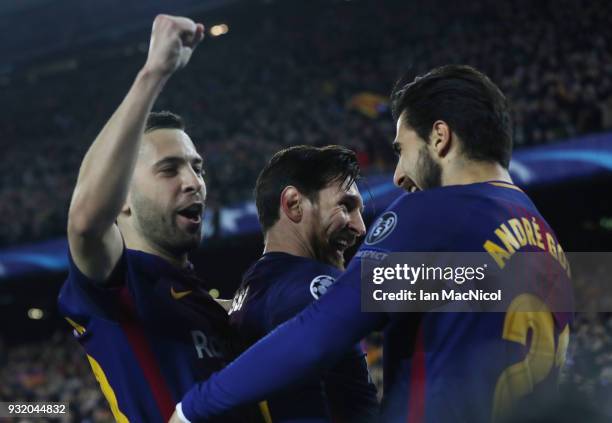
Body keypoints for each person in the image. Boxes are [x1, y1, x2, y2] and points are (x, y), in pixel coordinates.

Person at [171, 65, 573, 423]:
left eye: (402, 150)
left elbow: (316, 334)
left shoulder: (433, 213)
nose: (399, 175)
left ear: (439, 137)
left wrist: (193, 408)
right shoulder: (546, 241)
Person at [57, 15, 246, 422]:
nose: (194, 181)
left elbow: (337, 305)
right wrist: (153, 73)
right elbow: (85, 221)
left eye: (197, 167)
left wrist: (418, 286)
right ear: (121, 201)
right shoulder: (118, 285)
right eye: (169, 169)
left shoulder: (213, 307)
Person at [228, 145, 378, 422]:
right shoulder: (312, 286)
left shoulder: (256, 286)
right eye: (345, 206)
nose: (360, 227)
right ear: (294, 204)